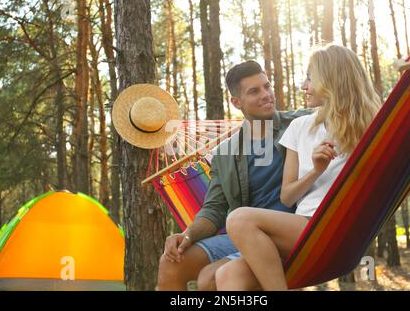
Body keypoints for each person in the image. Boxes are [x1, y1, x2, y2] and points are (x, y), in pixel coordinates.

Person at [216, 44, 382, 291]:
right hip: (303, 229)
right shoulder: (300, 127)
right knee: (228, 275)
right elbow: (287, 195)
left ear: (330, 80)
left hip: (337, 227)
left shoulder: (373, 125)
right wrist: (317, 170)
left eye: (309, 78)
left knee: (239, 219)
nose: (303, 85)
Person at [157, 61, 311, 290]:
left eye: (267, 87)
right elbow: (214, 209)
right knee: (171, 263)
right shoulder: (226, 153)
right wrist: (188, 234)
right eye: (254, 91)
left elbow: (344, 112)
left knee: (209, 280)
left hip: (288, 233)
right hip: (244, 234)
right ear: (236, 102)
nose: (266, 95)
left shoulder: (301, 124)